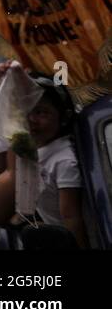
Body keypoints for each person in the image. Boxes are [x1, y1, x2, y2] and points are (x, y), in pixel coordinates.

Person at [28, 82, 88, 248]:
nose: (32, 119)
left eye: (41, 112)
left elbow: (71, 218)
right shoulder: (38, 148)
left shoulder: (64, 161)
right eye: (28, 111)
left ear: (64, 117)